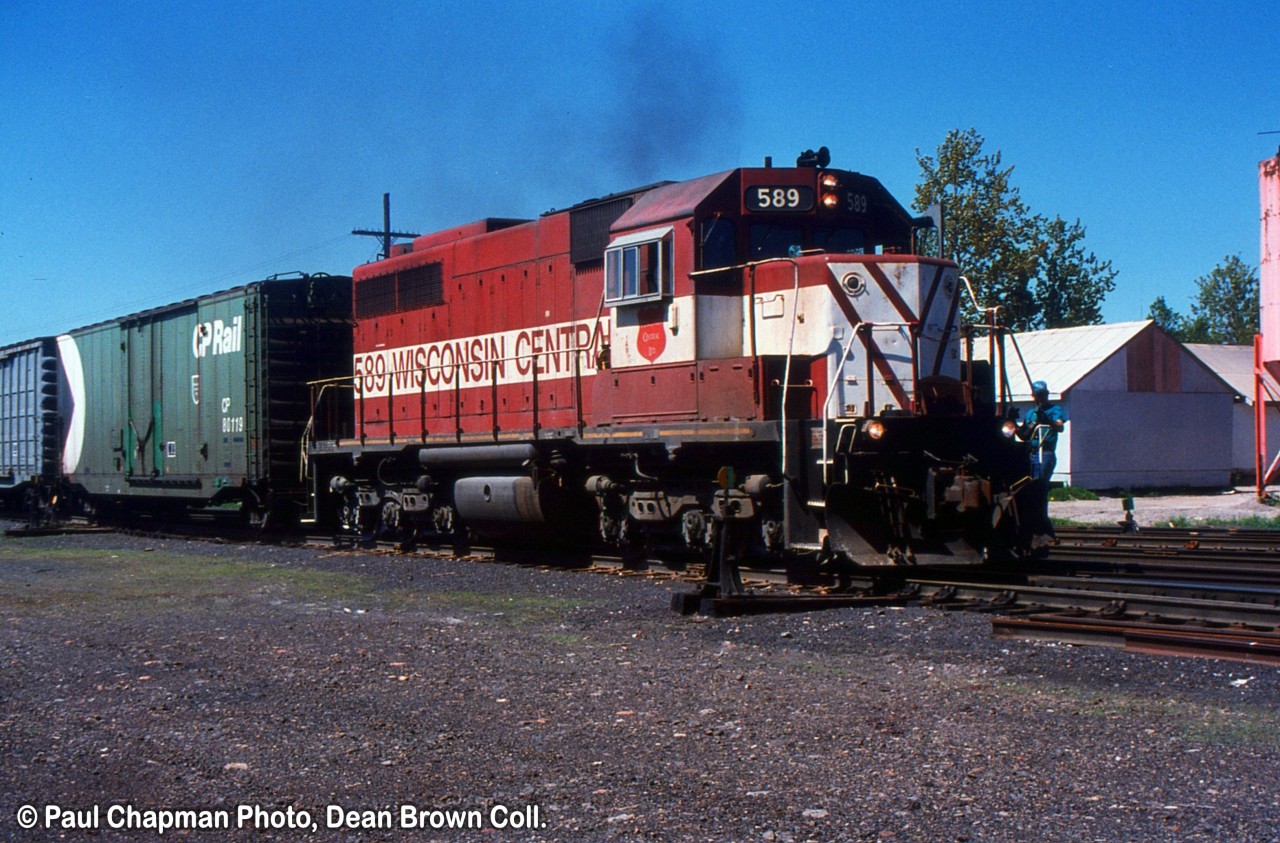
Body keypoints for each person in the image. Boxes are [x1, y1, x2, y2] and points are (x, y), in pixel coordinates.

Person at [1019, 380, 1067, 549]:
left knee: (1039, 489)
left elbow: (1060, 428)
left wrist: (1048, 420)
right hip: (1032, 454)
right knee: (1030, 491)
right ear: (1034, 396)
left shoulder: (1055, 410)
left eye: (1044, 394)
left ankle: (1044, 530)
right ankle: (1034, 529)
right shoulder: (1031, 413)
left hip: (1045, 453)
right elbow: (1024, 435)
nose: (1041, 397)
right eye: (1038, 395)